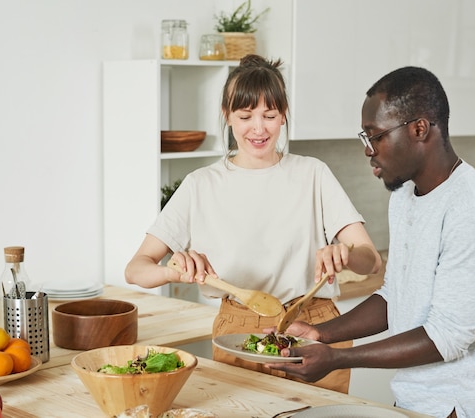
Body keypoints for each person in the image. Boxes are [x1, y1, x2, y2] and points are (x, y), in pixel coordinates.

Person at [267, 66, 475, 418]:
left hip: (464, 407)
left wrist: (340, 358)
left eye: (376, 136)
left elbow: (447, 337)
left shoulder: (473, 208)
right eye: (365, 137)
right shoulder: (404, 196)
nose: (368, 150)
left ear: (419, 129)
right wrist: (320, 333)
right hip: (414, 401)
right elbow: (396, 296)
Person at [125, 54, 381, 393]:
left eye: (270, 115)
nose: (258, 128)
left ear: (284, 115)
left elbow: (371, 261)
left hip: (315, 323)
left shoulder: (313, 174)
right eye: (245, 116)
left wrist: (345, 253)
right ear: (227, 115)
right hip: (238, 328)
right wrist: (175, 270)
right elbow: (136, 269)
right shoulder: (201, 184)